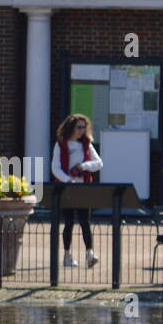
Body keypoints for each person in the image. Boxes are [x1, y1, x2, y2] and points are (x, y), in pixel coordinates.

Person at [52, 113, 103, 268]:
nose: (82, 130)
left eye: (84, 127)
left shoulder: (86, 144)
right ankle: (67, 255)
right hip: (67, 188)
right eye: (79, 127)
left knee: (85, 222)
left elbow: (99, 163)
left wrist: (84, 166)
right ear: (71, 128)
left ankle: (89, 253)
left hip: (83, 188)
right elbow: (55, 168)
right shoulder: (61, 144)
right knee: (69, 222)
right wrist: (68, 180)